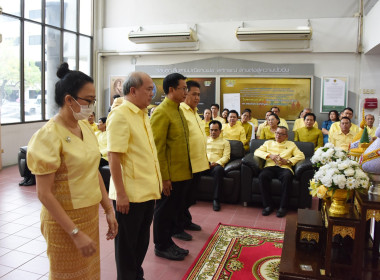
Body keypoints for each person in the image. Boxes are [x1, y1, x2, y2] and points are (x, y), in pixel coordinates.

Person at [26, 62, 118, 279]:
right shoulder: (48, 135)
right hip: (63, 223)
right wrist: (75, 233)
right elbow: (44, 193)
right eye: (89, 100)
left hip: (88, 215)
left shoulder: (85, 127)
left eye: (94, 101)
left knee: (88, 273)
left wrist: (108, 209)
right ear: (69, 100)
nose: (92, 106)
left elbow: (93, 171)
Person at [107, 71, 162, 279]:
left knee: (140, 243)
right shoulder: (121, 115)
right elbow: (114, 156)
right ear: (133, 90)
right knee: (127, 247)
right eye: (149, 89)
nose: (152, 93)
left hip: (147, 191)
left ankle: (136, 276)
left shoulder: (142, 113)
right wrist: (121, 194)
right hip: (129, 195)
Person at [150, 73, 192, 261]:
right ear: (171, 90)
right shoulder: (161, 112)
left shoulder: (179, 110)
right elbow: (158, 149)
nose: (186, 92)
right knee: (163, 211)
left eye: (186, 88)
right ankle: (161, 245)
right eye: (183, 88)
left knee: (173, 210)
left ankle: (168, 241)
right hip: (170, 175)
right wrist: (164, 178)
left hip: (182, 173)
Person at [174, 80, 209, 241]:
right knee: (181, 198)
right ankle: (176, 227)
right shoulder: (180, 110)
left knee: (190, 197)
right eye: (193, 94)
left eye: (198, 95)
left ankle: (186, 221)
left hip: (198, 163)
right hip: (186, 165)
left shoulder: (196, 112)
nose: (196, 97)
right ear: (185, 93)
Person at [254, 126, 305, 218]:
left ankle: (283, 207)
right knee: (262, 176)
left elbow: (301, 156)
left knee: (287, 177)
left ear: (286, 136)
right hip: (270, 166)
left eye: (281, 134)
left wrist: (288, 161)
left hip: (284, 167)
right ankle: (268, 206)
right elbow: (257, 152)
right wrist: (270, 155)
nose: (278, 135)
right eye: (277, 133)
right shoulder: (268, 143)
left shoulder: (291, 144)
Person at [206, 120, 231, 211]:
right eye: (211, 130)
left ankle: (216, 199)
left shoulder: (225, 142)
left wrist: (217, 163)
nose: (213, 132)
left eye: (216, 130)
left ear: (220, 131)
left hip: (216, 166)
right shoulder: (205, 140)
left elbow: (226, 157)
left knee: (219, 170)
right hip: (204, 164)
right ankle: (190, 197)